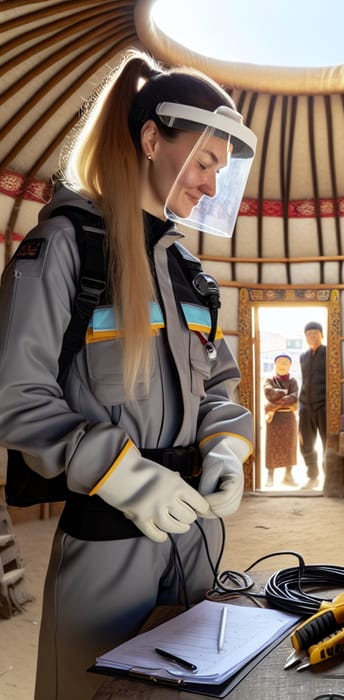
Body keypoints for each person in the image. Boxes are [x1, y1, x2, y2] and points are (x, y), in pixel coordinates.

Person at [0, 50, 256, 699]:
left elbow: (219, 386)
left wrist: (226, 445)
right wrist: (124, 475)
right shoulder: (64, 247)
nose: (209, 183)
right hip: (108, 543)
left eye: (220, 170)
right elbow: (14, 395)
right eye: (203, 161)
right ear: (151, 139)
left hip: (195, 539)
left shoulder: (191, 272)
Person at [298, 321, 327, 489]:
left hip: (323, 404)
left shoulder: (329, 353)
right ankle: (312, 476)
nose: (312, 337)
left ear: (322, 335)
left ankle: (328, 478)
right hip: (305, 406)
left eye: (315, 333)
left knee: (327, 443)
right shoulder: (303, 356)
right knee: (306, 443)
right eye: (309, 334)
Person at [264, 353, 299, 487]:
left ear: (290, 366)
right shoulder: (269, 379)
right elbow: (269, 394)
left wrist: (280, 398)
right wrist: (285, 395)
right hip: (274, 418)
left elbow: (295, 396)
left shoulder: (293, 381)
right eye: (280, 362)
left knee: (290, 446)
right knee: (272, 446)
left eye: (286, 363)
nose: (283, 365)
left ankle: (288, 476)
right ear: (275, 364)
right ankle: (270, 476)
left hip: (289, 417)